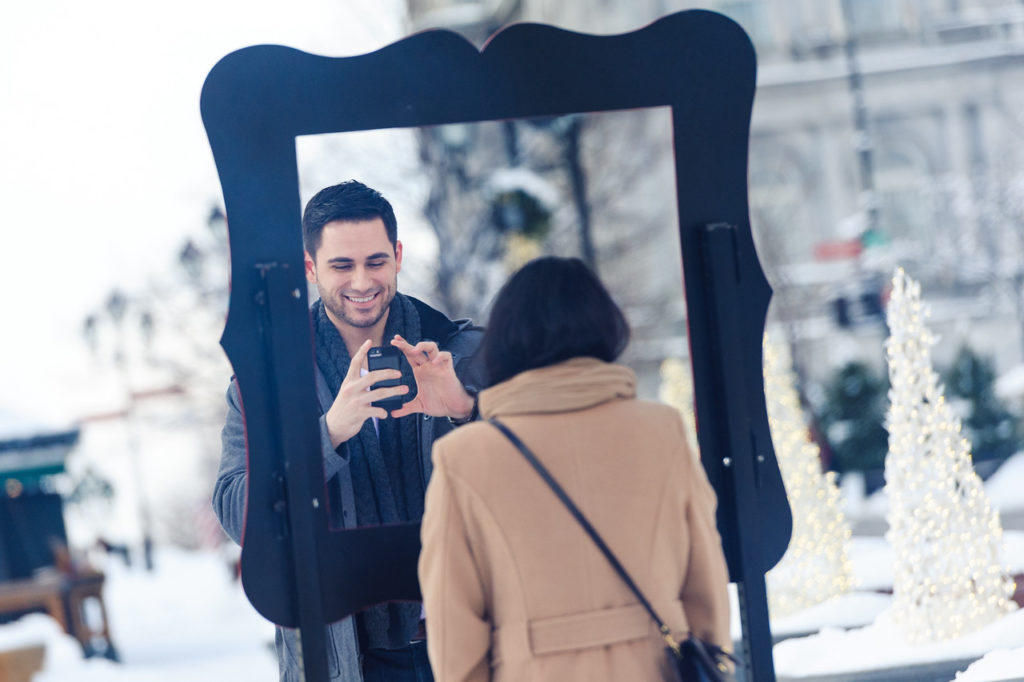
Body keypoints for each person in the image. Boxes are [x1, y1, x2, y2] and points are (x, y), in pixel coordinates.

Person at [213, 180, 486, 682]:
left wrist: (465, 412)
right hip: (348, 658)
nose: (362, 281)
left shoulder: (461, 350)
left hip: (471, 639)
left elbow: (533, 475)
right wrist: (329, 433)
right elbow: (237, 512)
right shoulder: (268, 379)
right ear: (311, 267)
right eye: (342, 265)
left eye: (376, 261)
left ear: (398, 256)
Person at [418, 256, 732, 682]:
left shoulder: (463, 458)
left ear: (506, 340)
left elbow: (455, 631)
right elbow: (705, 583)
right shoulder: (663, 432)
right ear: (606, 326)